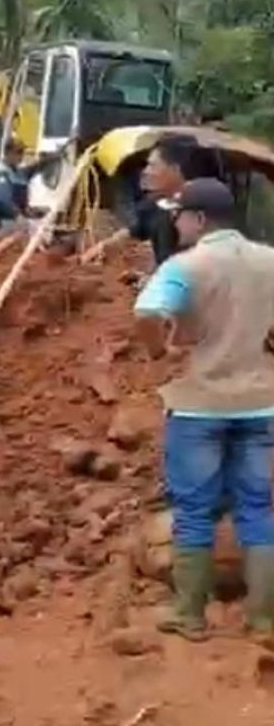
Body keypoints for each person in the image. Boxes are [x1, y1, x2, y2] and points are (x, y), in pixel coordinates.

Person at [134, 178, 274, 642]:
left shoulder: (186, 266)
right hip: (261, 404)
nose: (174, 222)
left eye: (178, 215)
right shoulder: (270, 260)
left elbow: (148, 312)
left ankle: (189, 615)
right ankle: (263, 619)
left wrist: (159, 353)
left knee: (194, 510)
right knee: (258, 507)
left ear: (197, 218)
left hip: (200, 408)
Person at [134, 135, 222, 265]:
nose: (146, 172)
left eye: (152, 166)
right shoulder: (157, 205)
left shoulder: (206, 212)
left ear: (175, 169)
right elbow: (136, 230)